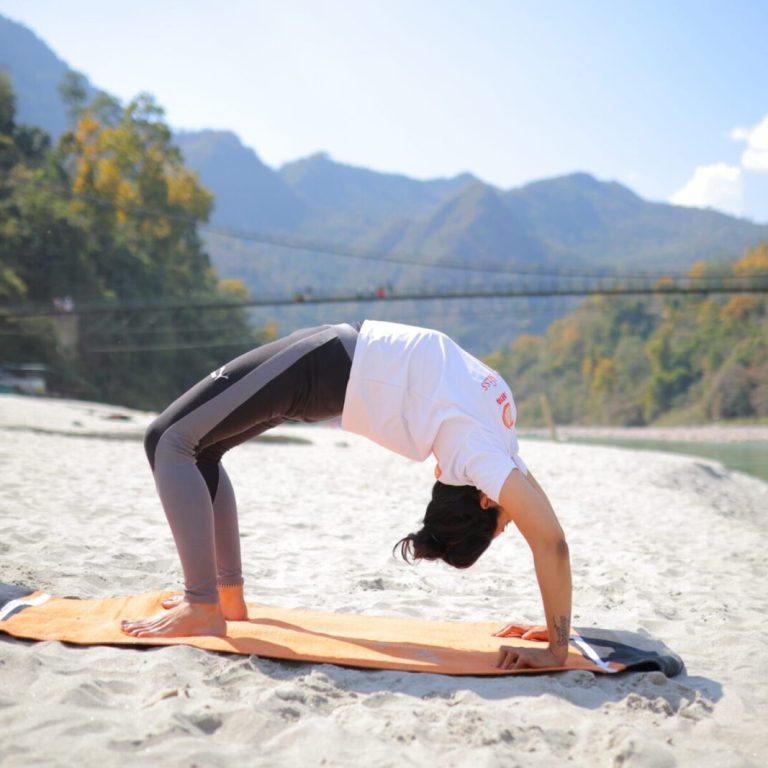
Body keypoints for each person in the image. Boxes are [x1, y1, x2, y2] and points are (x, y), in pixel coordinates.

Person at [121, 320, 572, 670]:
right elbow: (551, 535)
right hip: (326, 367)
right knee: (203, 449)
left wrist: (556, 649)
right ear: (485, 501)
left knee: (168, 440)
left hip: (323, 365)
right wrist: (556, 638)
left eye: (502, 525)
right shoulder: (495, 450)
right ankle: (226, 600)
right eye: (505, 526)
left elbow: (550, 541)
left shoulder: (480, 455)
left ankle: (202, 605)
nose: (513, 519)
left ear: (485, 500)